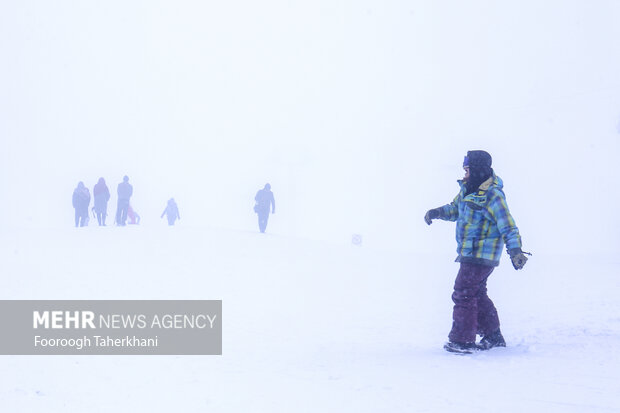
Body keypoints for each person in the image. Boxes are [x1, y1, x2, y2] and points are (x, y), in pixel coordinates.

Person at [424, 150, 529, 354]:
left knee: (463, 292)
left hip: (482, 255)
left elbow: (508, 226)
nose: (465, 174)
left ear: (478, 170)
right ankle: (493, 335)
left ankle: (462, 340)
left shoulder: (492, 195)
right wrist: (437, 212)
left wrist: (515, 250)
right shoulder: (467, 191)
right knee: (477, 293)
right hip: (470, 253)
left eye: (467, 170)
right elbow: (454, 209)